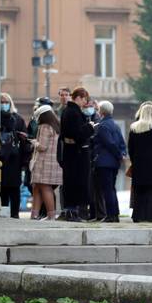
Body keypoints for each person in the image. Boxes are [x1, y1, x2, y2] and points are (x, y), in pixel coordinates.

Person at [59, 87, 95, 222]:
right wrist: (90, 127)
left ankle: (71, 211)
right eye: (84, 99)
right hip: (77, 154)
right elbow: (78, 135)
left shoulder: (67, 111)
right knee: (76, 183)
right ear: (78, 97)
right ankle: (72, 213)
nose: (85, 102)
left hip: (70, 152)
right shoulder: (74, 113)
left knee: (71, 183)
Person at [127, 103, 152, 223]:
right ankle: (150, 216)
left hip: (139, 164)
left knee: (139, 191)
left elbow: (130, 148)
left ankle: (137, 216)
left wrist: (134, 161)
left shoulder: (134, 127)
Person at [0, 93, 28, 218]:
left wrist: (25, 161)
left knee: (14, 189)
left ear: (10, 103)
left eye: (5, 102)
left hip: (14, 159)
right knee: (2, 188)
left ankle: (15, 214)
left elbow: (25, 140)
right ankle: (4, 213)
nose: (4, 104)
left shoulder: (17, 119)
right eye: (1, 102)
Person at [93, 101, 126, 223]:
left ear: (101, 111)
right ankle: (115, 214)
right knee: (111, 189)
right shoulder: (115, 125)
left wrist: (118, 154)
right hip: (113, 163)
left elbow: (109, 143)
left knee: (107, 190)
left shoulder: (102, 126)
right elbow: (121, 143)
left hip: (104, 162)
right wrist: (121, 155)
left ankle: (111, 215)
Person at [29, 105, 61, 220]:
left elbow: (42, 146)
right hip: (53, 163)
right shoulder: (56, 126)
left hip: (44, 163)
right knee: (37, 187)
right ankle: (34, 214)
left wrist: (34, 142)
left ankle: (51, 215)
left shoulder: (45, 127)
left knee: (45, 187)